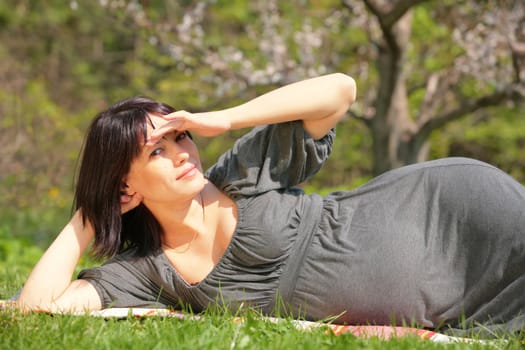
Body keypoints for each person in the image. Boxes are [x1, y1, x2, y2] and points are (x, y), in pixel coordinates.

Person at [16, 73, 524, 336]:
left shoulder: (242, 173)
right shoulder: (147, 272)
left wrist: (228, 118)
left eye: (182, 138)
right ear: (124, 183)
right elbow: (35, 310)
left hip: (452, 213)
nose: (183, 153)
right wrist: (89, 214)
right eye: (156, 151)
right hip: (455, 301)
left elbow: (340, 90)